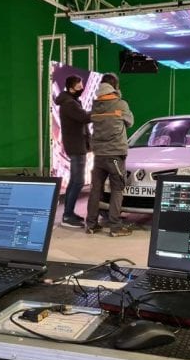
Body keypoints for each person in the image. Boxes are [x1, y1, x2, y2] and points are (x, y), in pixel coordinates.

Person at [86, 73, 134, 237]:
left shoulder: (95, 105)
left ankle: (91, 225)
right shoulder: (120, 104)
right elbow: (130, 122)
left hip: (98, 155)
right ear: (115, 86)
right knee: (117, 189)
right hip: (115, 154)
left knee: (95, 190)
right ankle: (115, 227)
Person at [55, 75, 91, 228]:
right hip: (76, 146)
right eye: (79, 86)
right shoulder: (70, 104)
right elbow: (84, 117)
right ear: (71, 88)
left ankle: (69, 212)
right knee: (78, 181)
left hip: (76, 145)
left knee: (74, 181)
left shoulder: (71, 101)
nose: (82, 88)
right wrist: (102, 111)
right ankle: (68, 216)